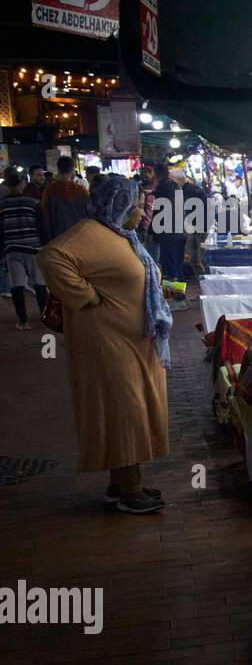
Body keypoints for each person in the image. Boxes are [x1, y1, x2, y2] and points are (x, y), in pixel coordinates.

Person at [37, 175, 171, 513]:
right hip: (106, 341)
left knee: (127, 407)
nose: (142, 212)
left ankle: (120, 483)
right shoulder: (87, 234)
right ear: (117, 204)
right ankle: (131, 489)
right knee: (123, 409)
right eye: (137, 206)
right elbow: (51, 256)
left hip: (131, 339)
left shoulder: (121, 235)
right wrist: (84, 295)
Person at [0, 167, 49, 329]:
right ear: (22, 184)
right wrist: (45, 246)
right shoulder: (33, 203)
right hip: (34, 248)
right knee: (40, 284)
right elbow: (42, 227)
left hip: (12, 250)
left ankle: (23, 320)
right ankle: (44, 317)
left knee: (17, 286)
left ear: (7, 185)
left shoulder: (2, 205)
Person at [40, 155, 89, 243]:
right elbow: (88, 214)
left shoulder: (49, 190)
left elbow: (45, 215)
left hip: (57, 238)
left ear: (58, 169)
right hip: (79, 237)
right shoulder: (81, 190)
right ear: (72, 169)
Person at [151, 163, 184, 286]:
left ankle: (178, 298)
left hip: (169, 234)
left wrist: (152, 231)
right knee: (177, 266)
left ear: (156, 173)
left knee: (171, 268)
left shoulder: (164, 187)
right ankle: (180, 297)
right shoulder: (175, 186)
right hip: (179, 231)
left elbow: (158, 213)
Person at [180, 178, 208, 278]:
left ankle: (206, 280)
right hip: (194, 227)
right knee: (195, 258)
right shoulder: (192, 190)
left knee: (199, 258)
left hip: (198, 227)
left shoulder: (191, 191)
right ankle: (202, 280)